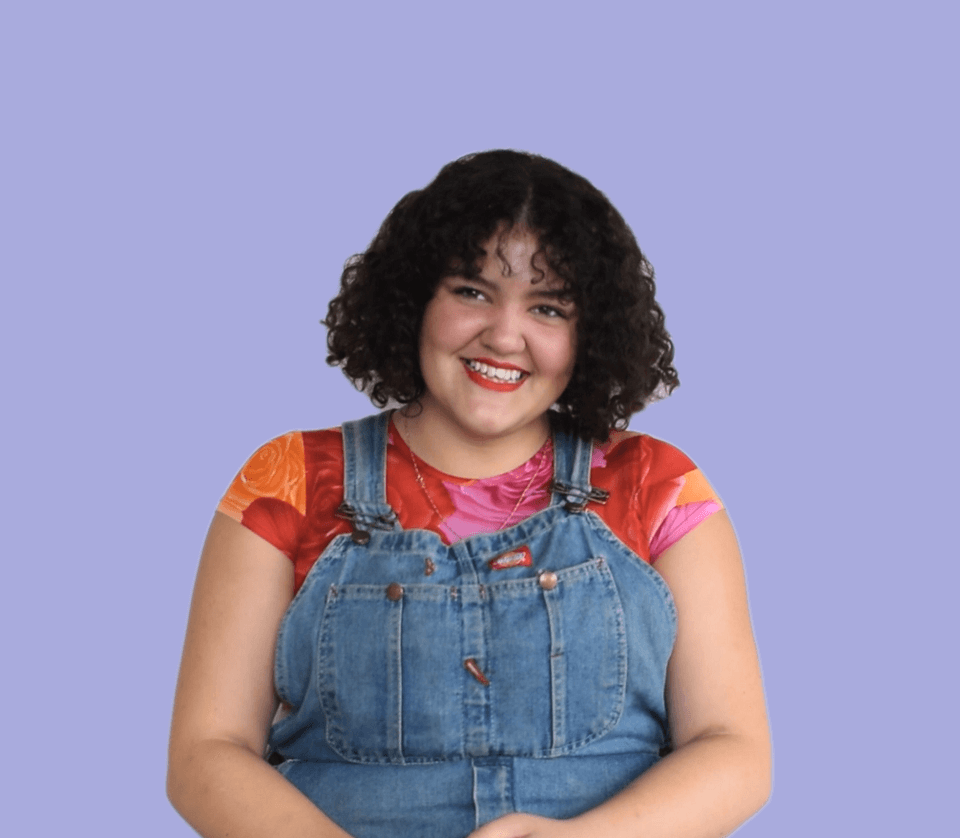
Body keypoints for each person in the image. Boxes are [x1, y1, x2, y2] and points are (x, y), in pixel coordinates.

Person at [167, 149, 771, 838]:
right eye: (472, 292)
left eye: (547, 307)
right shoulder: (290, 482)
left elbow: (734, 747)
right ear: (414, 297)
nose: (504, 336)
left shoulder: (658, 488)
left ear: (588, 335)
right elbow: (204, 753)